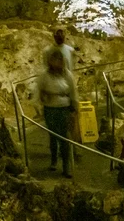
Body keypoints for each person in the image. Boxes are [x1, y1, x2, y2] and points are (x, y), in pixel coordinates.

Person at [34, 49, 78, 177]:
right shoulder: (45, 76)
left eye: (60, 61)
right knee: (53, 135)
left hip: (64, 108)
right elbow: (39, 91)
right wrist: (40, 102)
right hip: (50, 108)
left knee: (64, 137)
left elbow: (73, 91)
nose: (58, 64)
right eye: (55, 61)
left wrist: (74, 106)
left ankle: (66, 166)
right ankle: (53, 161)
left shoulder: (67, 75)